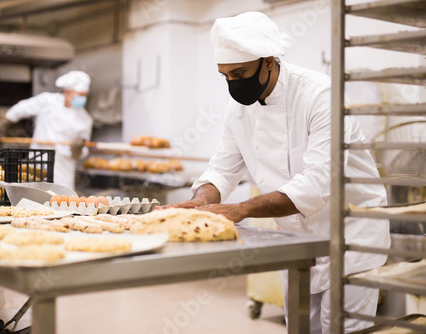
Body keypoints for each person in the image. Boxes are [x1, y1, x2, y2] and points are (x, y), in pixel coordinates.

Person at [166, 12, 390, 333]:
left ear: (269, 60)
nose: (233, 84)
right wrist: (200, 200)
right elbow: (222, 170)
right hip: (297, 242)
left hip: (350, 238)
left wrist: (239, 210)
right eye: (225, 75)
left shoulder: (319, 95)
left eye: (240, 72)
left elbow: (314, 185)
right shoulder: (240, 110)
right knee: (301, 328)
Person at [0, 71, 93, 190]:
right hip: (38, 160)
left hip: (63, 168)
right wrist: (5, 121)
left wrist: (78, 151)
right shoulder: (47, 101)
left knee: (61, 201)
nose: (82, 98)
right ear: (67, 91)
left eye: (85, 95)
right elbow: (22, 107)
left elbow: (85, 147)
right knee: (32, 195)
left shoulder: (85, 119)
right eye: (80, 94)